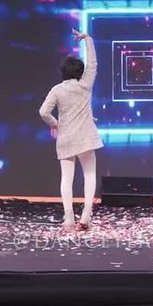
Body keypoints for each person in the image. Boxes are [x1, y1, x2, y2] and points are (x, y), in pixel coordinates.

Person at [39, 29, 103, 231]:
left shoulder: (57, 90)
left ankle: (68, 219)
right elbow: (93, 64)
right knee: (89, 176)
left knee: (66, 179)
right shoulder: (85, 85)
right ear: (80, 72)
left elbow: (43, 112)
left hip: (66, 138)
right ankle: (85, 218)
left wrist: (54, 124)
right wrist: (87, 39)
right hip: (86, 138)